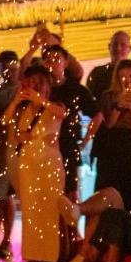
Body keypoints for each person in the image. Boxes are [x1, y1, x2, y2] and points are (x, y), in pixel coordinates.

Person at [2, 65, 66, 262]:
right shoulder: (22, 109)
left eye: (41, 83)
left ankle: (51, 255)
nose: (36, 87)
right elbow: (4, 120)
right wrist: (16, 101)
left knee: (50, 210)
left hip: (49, 165)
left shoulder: (54, 105)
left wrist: (41, 101)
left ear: (48, 86)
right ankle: (33, 256)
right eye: (32, 83)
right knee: (31, 211)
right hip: (28, 165)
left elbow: (61, 114)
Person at [43, 45, 101, 201]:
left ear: (65, 63)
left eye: (56, 59)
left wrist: (84, 143)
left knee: (70, 195)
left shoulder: (75, 89)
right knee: (49, 195)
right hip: (45, 148)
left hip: (67, 146)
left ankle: (71, 226)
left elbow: (98, 116)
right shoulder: (42, 89)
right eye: (48, 60)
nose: (52, 63)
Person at [95, 59, 131, 211]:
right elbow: (109, 124)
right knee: (112, 197)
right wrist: (119, 105)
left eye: (130, 76)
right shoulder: (108, 97)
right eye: (123, 77)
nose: (127, 81)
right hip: (113, 152)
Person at [0, 51, 20, 258]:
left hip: (15, 147)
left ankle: (4, 240)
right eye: (3, 68)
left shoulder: (22, 88)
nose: (7, 72)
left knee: (4, 197)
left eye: (11, 67)